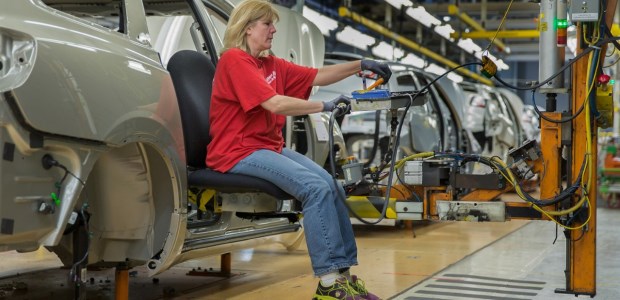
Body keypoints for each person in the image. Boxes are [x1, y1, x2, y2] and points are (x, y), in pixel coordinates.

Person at [207, 0, 391, 299]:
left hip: (267, 146)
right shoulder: (234, 61)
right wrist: (326, 105)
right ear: (248, 27)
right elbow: (274, 103)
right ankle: (330, 283)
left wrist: (359, 65)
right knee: (315, 188)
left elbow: (315, 75)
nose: (274, 30)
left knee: (332, 185)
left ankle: (343, 276)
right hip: (237, 151)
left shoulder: (270, 64)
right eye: (268, 24)